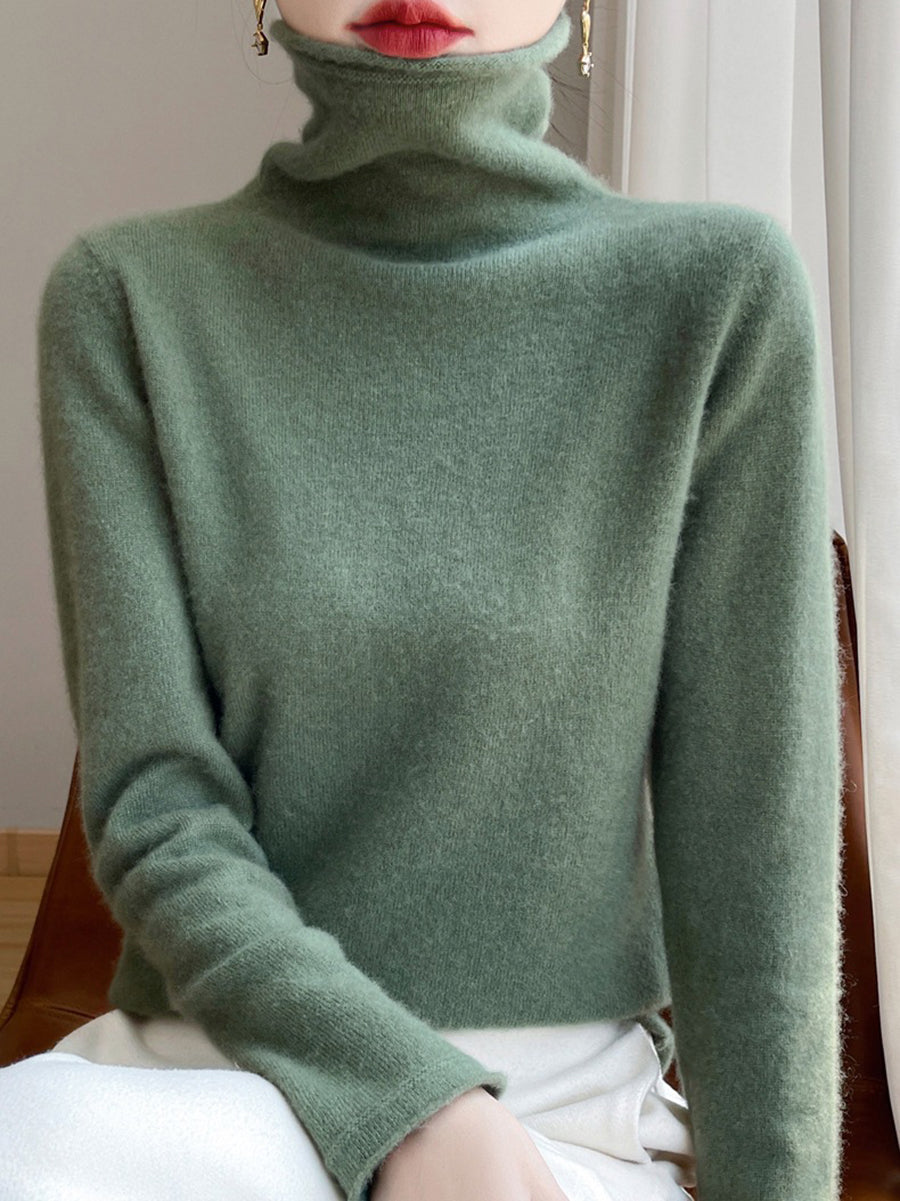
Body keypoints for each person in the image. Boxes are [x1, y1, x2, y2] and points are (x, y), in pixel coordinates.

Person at [0, 0, 845, 1198]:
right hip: (212, 1082)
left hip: (563, 1123)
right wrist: (414, 1107)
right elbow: (157, 809)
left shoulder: (716, 295)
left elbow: (755, 849)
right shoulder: (128, 297)